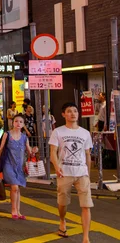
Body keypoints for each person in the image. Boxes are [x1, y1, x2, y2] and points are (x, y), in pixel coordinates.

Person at [50, 103, 93, 241]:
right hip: (65, 172)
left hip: (82, 173)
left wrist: (88, 174)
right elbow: (53, 152)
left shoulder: (85, 133)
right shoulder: (58, 131)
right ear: (63, 114)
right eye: (69, 111)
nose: (73, 114)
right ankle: (62, 220)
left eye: (75, 111)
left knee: (86, 205)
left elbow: (87, 154)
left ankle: (86, 237)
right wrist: (57, 167)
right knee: (63, 203)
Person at [0, 114, 38, 220]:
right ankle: (14, 210)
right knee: (15, 187)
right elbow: (0, 149)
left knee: (17, 189)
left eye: (21, 122)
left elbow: (30, 152)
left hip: (20, 167)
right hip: (9, 165)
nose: (18, 123)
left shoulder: (24, 137)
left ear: (23, 125)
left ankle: (18, 211)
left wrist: (34, 151)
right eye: (16, 121)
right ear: (12, 123)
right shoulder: (7, 135)